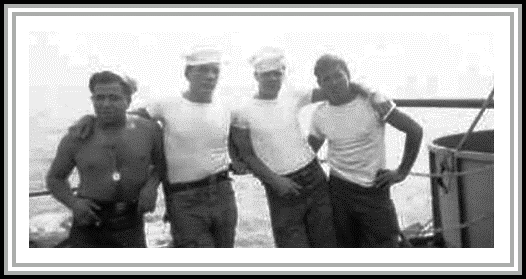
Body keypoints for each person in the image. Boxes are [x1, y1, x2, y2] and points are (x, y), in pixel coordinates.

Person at [307, 54, 424, 248]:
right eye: (326, 79)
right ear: (320, 84)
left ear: (348, 75)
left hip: (374, 190)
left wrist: (401, 172)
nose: (333, 82)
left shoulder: (374, 103)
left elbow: (414, 130)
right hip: (338, 191)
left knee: (386, 247)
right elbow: (308, 153)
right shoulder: (320, 114)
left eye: (338, 75)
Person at [230, 47, 338, 248]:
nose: (272, 78)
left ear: (283, 74)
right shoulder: (243, 111)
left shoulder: (293, 96)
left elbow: (337, 89)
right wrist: (276, 182)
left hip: (314, 179)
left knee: (328, 244)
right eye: (266, 74)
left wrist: (372, 94)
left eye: (277, 73)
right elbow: (247, 155)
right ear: (256, 76)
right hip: (281, 187)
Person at [45, 71, 165, 248]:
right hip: (89, 222)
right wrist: (74, 203)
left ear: (128, 101)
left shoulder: (149, 131)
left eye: (114, 98)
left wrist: (151, 186)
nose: (105, 104)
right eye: (99, 98)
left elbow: (162, 164)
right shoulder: (77, 136)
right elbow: (55, 178)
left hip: (131, 223)